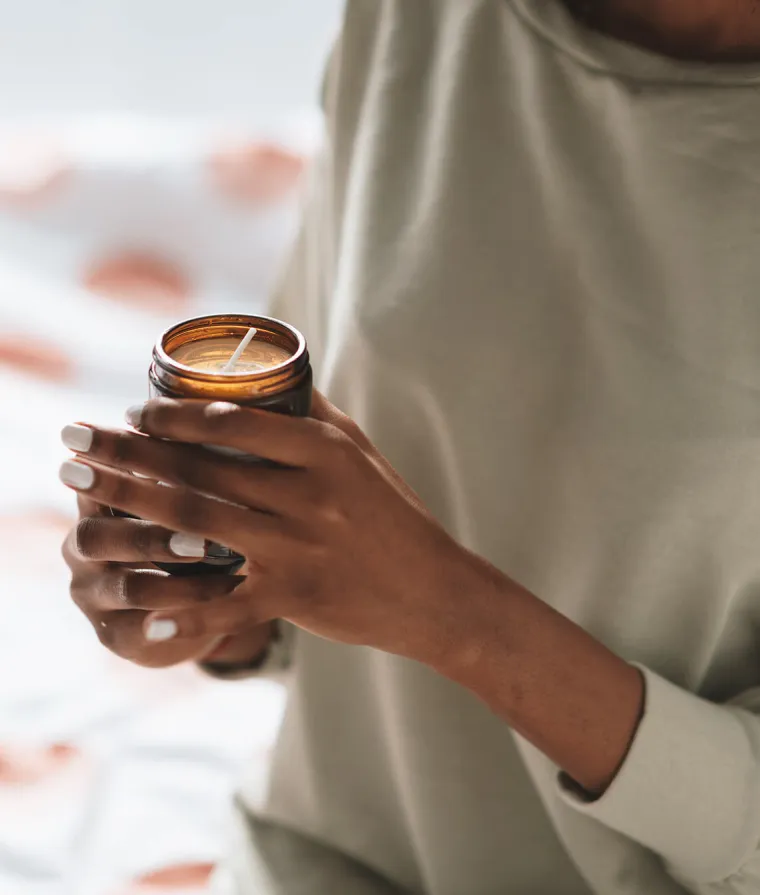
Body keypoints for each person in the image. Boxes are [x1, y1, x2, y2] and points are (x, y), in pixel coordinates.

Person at [58, 1, 760, 892]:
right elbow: (322, 447)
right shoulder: (420, 19)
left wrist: (452, 615)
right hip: (317, 861)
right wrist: (216, 608)